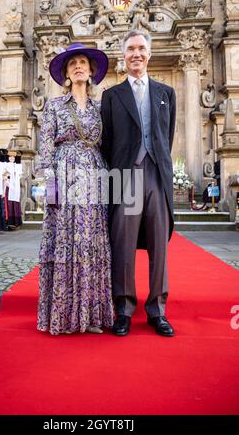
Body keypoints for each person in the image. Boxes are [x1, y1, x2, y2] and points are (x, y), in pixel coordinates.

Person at [101, 30, 176, 337]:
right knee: (123, 244)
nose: (136, 53)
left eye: (141, 48)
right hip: (124, 176)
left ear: (149, 53)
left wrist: (156, 163)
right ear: (124, 55)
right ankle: (124, 309)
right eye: (130, 48)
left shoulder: (166, 93)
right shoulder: (111, 95)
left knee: (159, 245)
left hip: (156, 175)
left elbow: (166, 137)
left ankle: (157, 310)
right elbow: (107, 143)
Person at [37, 43, 114, 335]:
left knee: (92, 242)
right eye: (73, 64)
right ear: (67, 74)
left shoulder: (101, 108)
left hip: (95, 177)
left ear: (91, 70)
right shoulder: (55, 106)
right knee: (66, 241)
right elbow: (45, 147)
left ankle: (90, 315)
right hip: (65, 174)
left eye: (83, 62)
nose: (79, 66)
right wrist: (50, 186)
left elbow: (109, 144)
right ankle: (65, 316)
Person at [5, 150, 22, 230]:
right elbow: (4, 175)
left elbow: (20, 174)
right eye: (10, 157)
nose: (11, 158)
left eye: (13, 157)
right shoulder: (6, 165)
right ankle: (9, 223)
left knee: (15, 203)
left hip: (16, 186)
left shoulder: (18, 165)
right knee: (9, 204)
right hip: (8, 186)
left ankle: (16, 222)